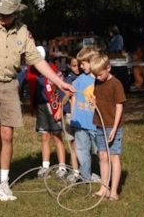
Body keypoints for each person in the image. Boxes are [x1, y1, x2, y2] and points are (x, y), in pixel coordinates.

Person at [0, 0, 75, 201]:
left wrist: (60, 83)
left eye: (7, 15)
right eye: (0, 13)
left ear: (16, 14)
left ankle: (3, 182)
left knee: (7, 135)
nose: (3, 18)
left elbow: (37, 61)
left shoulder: (23, 32)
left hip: (10, 84)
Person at [26, 46, 67, 180]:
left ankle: (62, 167)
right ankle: (45, 166)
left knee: (57, 136)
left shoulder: (53, 70)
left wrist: (60, 108)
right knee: (44, 136)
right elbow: (18, 81)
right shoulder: (30, 71)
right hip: (41, 106)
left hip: (53, 106)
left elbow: (61, 90)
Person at [89, 53, 126, 200]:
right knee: (102, 156)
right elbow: (97, 100)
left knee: (113, 156)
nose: (97, 78)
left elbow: (119, 107)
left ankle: (114, 191)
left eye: (99, 74)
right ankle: (103, 187)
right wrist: (93, 102)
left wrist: (115, 128)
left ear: (108, 68)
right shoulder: (97, 82)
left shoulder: (116, 84)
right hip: (100, 124)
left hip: (113, 126)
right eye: (95, 75)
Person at [70, 47, 99, 184]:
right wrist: (73, 116)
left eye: (83, 63)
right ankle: (85, 177)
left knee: (99, 150)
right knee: (81, 150)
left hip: (95, 123)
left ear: (93, 61)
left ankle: (104, 174)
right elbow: (74, 97)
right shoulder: (80, 79)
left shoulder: (100, 80)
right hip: (80, 122)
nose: (81, 67)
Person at [62, 55, 80, 183]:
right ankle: (75, 171)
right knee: (73, 144)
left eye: (79, 65)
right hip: (70, 115)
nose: (77, 68)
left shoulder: (86, 78)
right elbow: (62, 102)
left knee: (83, 145)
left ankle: (85, 170)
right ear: (69, 66)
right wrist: (69, 92)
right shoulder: (67, 80)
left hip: (83, 114)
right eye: (74, 65)